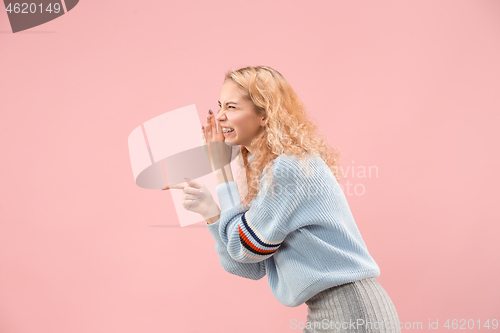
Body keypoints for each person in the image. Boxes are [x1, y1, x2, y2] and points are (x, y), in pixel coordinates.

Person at [164, 66, 401, 333]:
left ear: (264, 114)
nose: (219, 116)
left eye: (231, 107)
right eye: (219, 106)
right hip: (332, 311)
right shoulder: (269, 172)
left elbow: (243, 247)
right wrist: (211, 212)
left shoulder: (288, 168)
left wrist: (221, 169)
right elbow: (248, 265)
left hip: (352, 312)